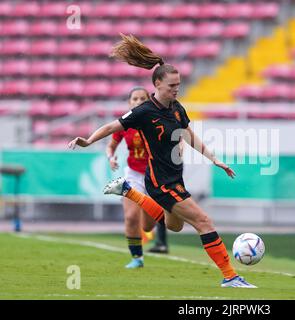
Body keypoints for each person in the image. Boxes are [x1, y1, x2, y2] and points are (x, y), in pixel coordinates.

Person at [68, 34, 256, 288]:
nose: (176, 89)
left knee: (174, 226)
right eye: (171, 85)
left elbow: (189, 135)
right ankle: (230, 276)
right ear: (157, 84)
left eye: (178, 84)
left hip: (174, 177)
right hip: (161, 181)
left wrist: (215, 160)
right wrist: (88, 141)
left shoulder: (177, 107)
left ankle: (128, 191)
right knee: (204, 222)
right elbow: (113, 125)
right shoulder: (144, 112)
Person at [106, 86, 169, 269]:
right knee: (131, 217)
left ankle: (150, 227)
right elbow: (111, 145)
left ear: (148, 101)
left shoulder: (157, 121)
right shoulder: (125, 123)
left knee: (148, 226)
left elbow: (174, 136)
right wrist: (111, 158)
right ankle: (137, 258)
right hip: (133, 174)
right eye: (135, 99)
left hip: (154, 176)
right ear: (129, 102)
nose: (138, 102)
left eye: (142, 99)